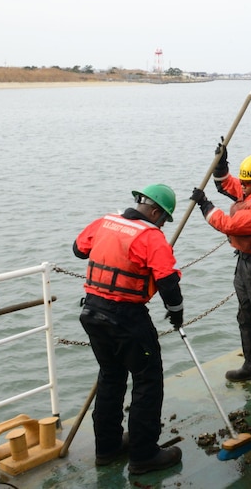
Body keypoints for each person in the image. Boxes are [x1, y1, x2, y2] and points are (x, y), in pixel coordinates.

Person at [74, 183, 184, 475]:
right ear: (156, 211)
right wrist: (176, 315)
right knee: (147, 380)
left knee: (111, 376)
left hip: (92, 313)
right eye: (164, 219)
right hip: (127, 317)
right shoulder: (151, 237)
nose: (162, 224)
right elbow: (168, 283)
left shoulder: (105, 221)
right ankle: (144, 454)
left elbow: (78, 249)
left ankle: (107, 447)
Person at [191, 146, 251, 382]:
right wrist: (221, 165)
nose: (242, 186)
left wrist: (205, 205)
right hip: (245, 263)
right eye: (242, 182)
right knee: (245, 315)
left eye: (247, 182)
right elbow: (226, 185)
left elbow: (229, 225)